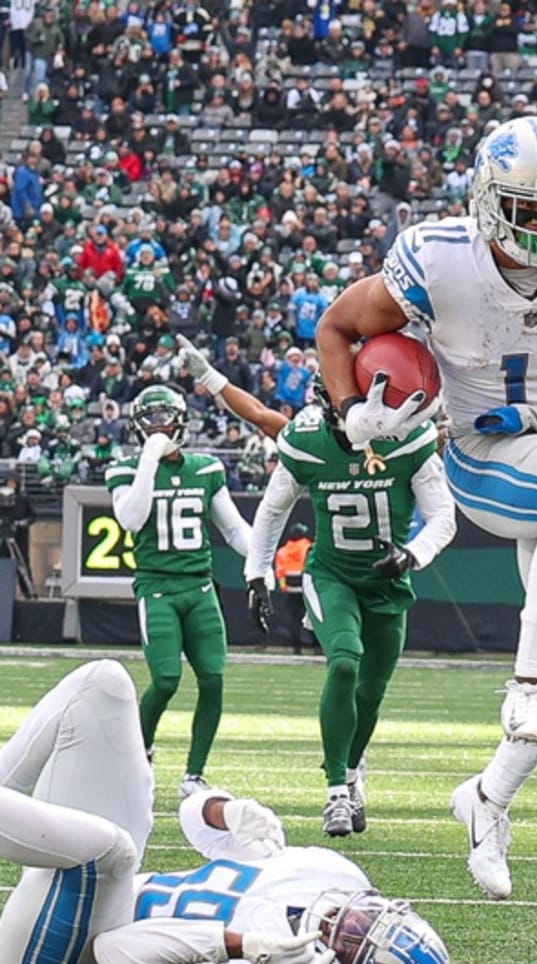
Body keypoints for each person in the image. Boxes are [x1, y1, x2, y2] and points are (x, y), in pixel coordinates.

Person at [314, 116, 537, 900]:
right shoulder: (438, 260)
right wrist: (352, 413)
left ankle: (488, 799)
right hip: (483, 454)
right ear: (486, 200)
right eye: (530, 209)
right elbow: (339, 326)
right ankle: (522, 680)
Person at [0, 660, 452, 964]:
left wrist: (239, 946)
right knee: (102, 684)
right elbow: (195, 818)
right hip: (85, 892)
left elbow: (118, 954)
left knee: (112, 851)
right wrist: (227, 812)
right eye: (373, 919)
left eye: (356, 943)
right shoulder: (338, 879)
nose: (351, 921)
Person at [175, 334, 456, 839]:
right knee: (344, 663)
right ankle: (334, 792)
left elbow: (443, 517)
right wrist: (256, 573)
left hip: (387, 582)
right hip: (331, 574)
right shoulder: (307, 438)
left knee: (371, 693)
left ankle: (351, 772)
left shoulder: (411, 441)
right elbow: (272, 508)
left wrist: (414, 553)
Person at [105, 386, 252, 798]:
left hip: (200, 586)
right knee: (166, 679)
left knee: (213, 678)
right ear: (137, 424)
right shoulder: (124, 469)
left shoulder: (205, 468)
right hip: (157, 588)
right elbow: (131, 520)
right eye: (150, 418)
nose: (159, 426)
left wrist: (259, 561)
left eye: (165, 417)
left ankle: (194, 774)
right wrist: (148, 462)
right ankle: (141, 752)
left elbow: (234, 528)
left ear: (181, 420)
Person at [274, 521, 314, 656]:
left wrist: (283, 585)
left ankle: (297, 648)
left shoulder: (283, 551)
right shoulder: (307, 546)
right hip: (306, 588)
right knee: (313, 617)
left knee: (293, 620)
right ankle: (317, 647)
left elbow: (280, 572)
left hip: (290, 589)